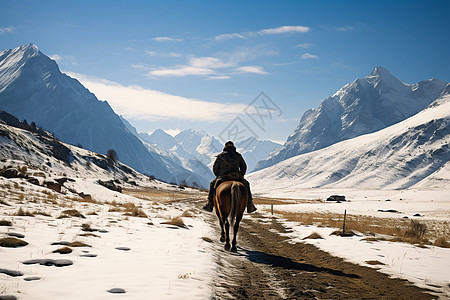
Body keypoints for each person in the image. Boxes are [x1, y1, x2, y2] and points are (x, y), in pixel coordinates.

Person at [203, 141, 257, 213]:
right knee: (247, 185)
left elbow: (215, 168)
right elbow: (244, 166)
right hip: (236, 176)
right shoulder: (238, 155)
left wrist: (219, 176)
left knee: (212, 184)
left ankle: (210, 205)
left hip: (223, 176)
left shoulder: (220, 156)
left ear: (225, 147)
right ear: (233, 147)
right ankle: (250, 205)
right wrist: (241, 175)